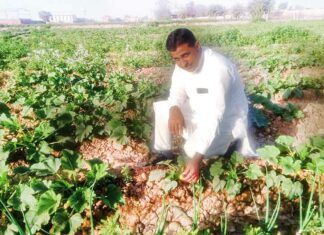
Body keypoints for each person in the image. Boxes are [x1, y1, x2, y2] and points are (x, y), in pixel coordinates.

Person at [153, 28, 257, 183]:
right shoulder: (181, 64)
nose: (182, 63)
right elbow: (177, 91)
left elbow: (214, 117)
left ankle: (232, 145)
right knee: (163, 109)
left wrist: (196, 159)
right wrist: (174, 108)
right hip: (199, 111)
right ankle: (164, 155)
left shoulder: (219, 69)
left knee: (192, 150)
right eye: (176, 59)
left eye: (185, 55)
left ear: (197, 46)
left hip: (226, 121)